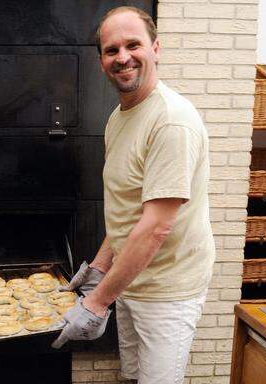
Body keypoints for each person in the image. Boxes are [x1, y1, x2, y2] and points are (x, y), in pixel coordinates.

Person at [52, 6, 216, 384]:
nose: (122, 57)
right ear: (101, 62)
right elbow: (129, 208)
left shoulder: (171, 121)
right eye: (111, 50)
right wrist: (99, 269)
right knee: (133, 375)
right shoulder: (119, 117)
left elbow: (156, 226)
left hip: (167, 290)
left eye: (133, 45)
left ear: (155, 48)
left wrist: (96, 302)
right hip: (131, 278)